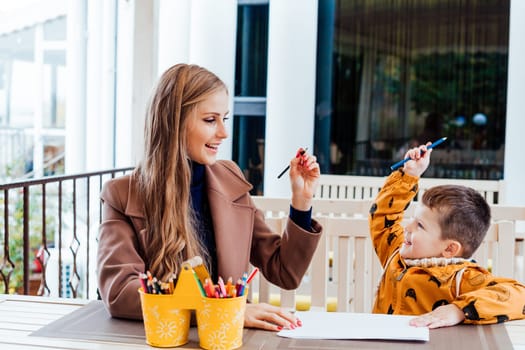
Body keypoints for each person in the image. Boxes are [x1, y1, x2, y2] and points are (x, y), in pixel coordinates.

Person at [96, 63, 322, 331]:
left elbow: (284, 270)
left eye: (224, 119)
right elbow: (121, 292)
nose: (224, 133)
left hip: (228, 343)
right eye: (210, 120)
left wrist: (301, 201)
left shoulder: (229, 180)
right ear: (175, 123)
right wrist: (225, 312)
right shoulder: (122, 194)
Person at [369, 143, 525, 328]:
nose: (408, 227)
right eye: (412, 219)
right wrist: (409, 176)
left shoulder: (462, 277)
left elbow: (518, 295)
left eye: (420, 225)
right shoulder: (395, 253)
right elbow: (383, 218)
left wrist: (459, 310)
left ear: (450, 248)